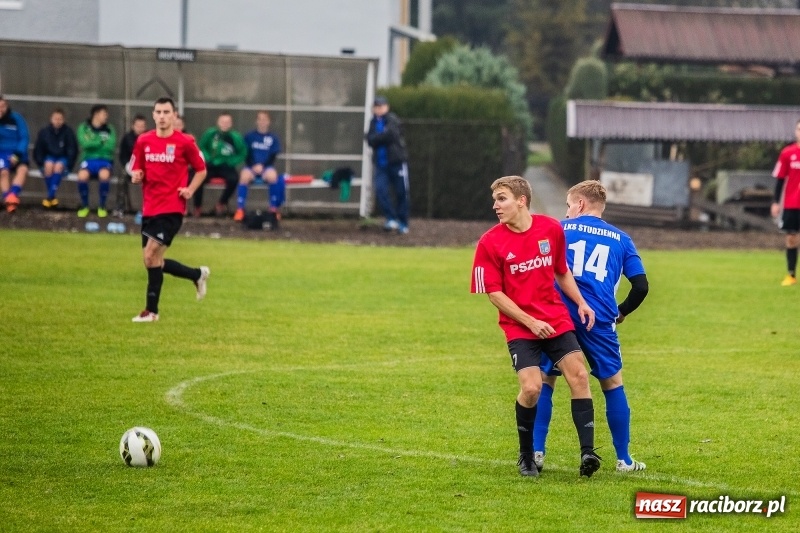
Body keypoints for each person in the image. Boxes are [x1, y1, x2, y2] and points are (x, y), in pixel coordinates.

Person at [470, 175, 600, 478]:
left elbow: (561, 271)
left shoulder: (551, 229)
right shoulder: (490, 242)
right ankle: (526, 456)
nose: (495, 206)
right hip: (519, 326)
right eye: (495, 200)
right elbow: (494, 294)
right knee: (531, 388)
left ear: (521, 200)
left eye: (502, 199)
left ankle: (588, 454)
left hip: (555, 319)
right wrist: (529, 321)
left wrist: (581, 302)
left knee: (579, 375)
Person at [533, 180, 650, 474]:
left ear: (580, 204)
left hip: (557, 316)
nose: (568, 211)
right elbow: (641, 286)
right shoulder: (621, 239)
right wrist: (620, 312)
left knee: (546, 379)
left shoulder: (558, 229)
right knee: (612, 383)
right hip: (598, 318)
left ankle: (537, 452)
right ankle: (623, 459)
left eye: (569, 205)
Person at [129, 97, 210, 323]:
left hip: (172, 208)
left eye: (167, 112)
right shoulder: (143, 141)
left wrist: (190, 190)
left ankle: (151, 312)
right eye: (159, 112)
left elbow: (201, 170)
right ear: (153, 115)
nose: (162, 116)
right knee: (152, 261)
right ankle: (197, 274)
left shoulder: (185, 142)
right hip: (150, 208)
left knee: (150, 255)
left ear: (174, 115)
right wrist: (135, 176)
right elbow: (135, 168)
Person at [365, 95, 410, 234]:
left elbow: (391, 135)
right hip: (381, 164)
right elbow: (370, 140)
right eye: (376, 107)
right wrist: (380, 137)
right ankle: (391, 218)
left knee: (401, 192)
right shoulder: (373, 122)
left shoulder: (392, 120)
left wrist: (378, 138)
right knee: (380, 191)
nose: (379, 109)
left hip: (396, 162)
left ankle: (403, 222)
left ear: (386, 107)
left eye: (381, 106)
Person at [234, 110, 284, 223]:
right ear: (256, 121)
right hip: (251, 167)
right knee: (244, 177)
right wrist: (253, 166)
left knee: (272, 176)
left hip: (266, 167)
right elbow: (245, 154)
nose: (262, 122)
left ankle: (273, 209)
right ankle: (240, 209)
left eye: (264, 119)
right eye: (260, 119)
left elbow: (273, 156)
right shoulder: (249, 136)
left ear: (268, 122)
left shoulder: (273, 138)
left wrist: (263, 166)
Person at [196, 112, 247, 217]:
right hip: (211, 165)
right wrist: (207, 157)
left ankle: (221, 203)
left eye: (227, 122)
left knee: (234, 179)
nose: (225, 124)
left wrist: (232, 161)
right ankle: (197, 207)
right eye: (222, 121)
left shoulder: (235, 137)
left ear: (231, 124)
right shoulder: (210, 133)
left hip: (226, 166)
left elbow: (243, 153)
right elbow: (201, 146)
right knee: (198, 178)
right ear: (218, 122)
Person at [771, 118, 800, 286]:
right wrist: (776, 202)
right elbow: (780, 179)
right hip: (792, 204)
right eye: (799, 129)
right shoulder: (787, 153)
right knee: (791, 238)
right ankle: (791, 275)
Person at [76, 104, 117, 218]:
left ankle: (102, 206)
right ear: (96, 114)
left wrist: (93, 142)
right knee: (82, 176)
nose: (106, 117)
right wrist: (100, 142)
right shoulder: (84, 127)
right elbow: (84, 144)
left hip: (105, 160)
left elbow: (111, 146)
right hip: (88, 159)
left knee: (104, 175)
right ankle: (85, 206)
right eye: (104, 114)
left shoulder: (110, 129)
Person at [0, 95, 30, 213]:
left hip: (17, 152)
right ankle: (8, 200)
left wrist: (17, 154)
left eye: (3, 106)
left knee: (23, 169)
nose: (1, 109)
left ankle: (13, 195)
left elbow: (24, 137)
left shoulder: (16, 118)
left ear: (7, 106)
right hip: (1, 153)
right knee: (4, 172)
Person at [117, 114, 147, 216]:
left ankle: (147, 208)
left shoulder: (149, 138)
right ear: (133, 126)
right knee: (122, 177)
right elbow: (122, 156)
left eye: (142, 126)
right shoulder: (127, 138)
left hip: (146, 168)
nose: (140, 129)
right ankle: (120, 208)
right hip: (131, 167)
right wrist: (129, 167)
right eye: (138, 126)